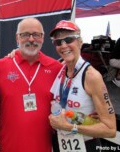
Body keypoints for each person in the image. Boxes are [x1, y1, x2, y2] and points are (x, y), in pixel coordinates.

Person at [0, 17, 62, 152]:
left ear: (42, 37)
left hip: (42, 147)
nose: (31, 39)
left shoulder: (56, 68)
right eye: (25, 35)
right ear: (17, 38)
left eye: (36, 34)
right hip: (7, 147)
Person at [48, 20, 116, 152]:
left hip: (85, 145)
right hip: (60, 144)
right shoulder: (60, 67)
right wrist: (16, 53)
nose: (63, 45)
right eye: (58, 42)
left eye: (69, 39)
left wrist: (70, 127)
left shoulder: (92, 76)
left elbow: (110, 129)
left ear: (80, 42)